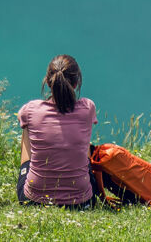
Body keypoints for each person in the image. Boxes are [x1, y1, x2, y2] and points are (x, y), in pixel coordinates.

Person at [15, 54, 97, 207]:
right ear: (76, 83)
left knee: (26, 126)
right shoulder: (87, 108)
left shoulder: (31, 109)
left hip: (34, 199)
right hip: (80, 201)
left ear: (47, 82)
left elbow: (21, 115)